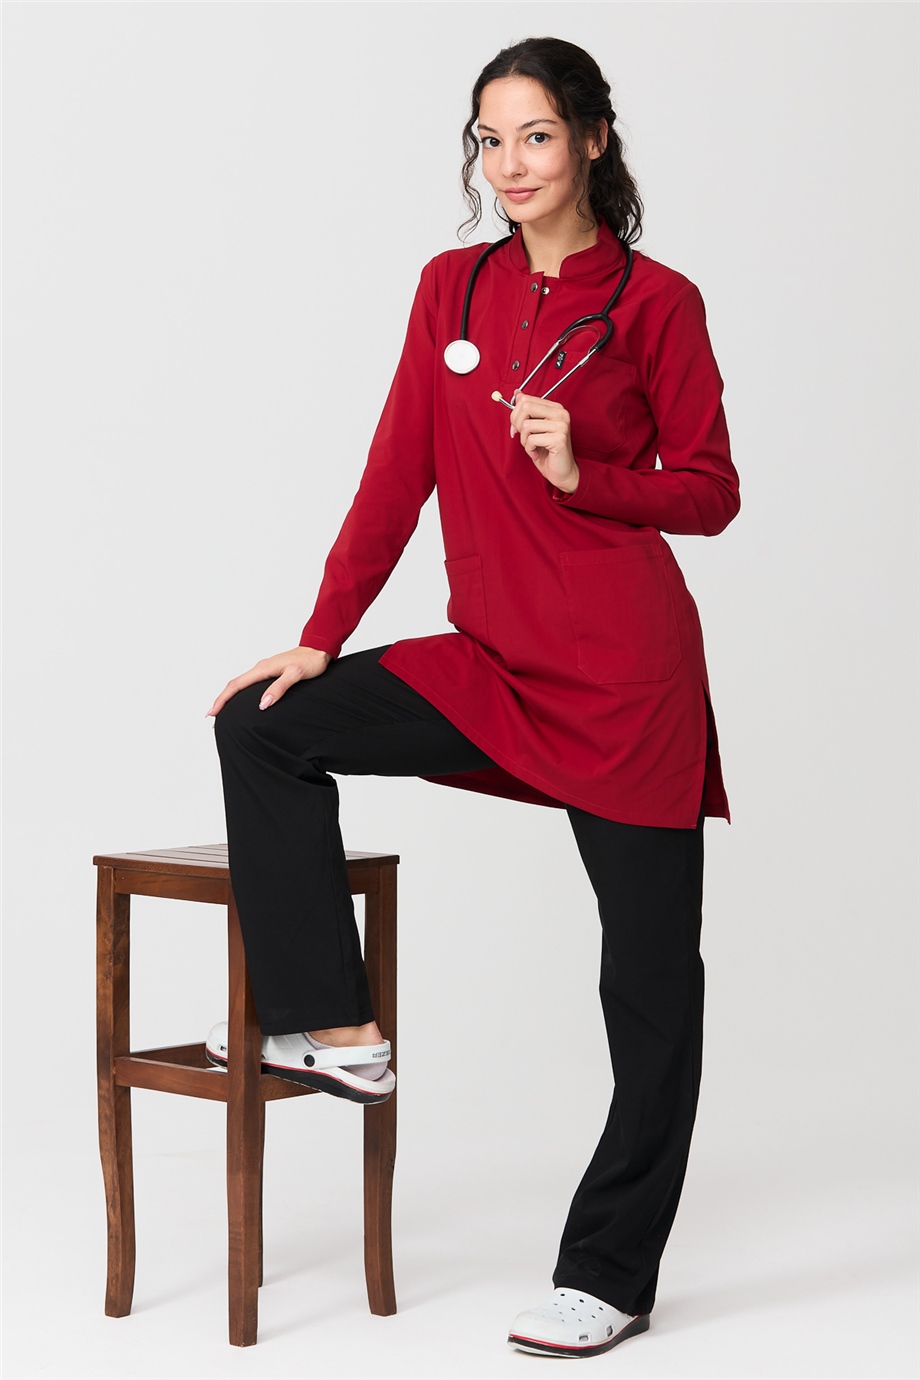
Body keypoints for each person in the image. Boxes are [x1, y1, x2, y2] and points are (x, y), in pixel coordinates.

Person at [206, 35, 740, 1361]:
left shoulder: (657, 303)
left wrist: (584, 473)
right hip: (493, 657)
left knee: (650, 991)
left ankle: (608, 1275)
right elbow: (398, 470)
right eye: (489, 140)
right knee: (263, 726)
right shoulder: (452, 289)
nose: (509, 164)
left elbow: (711, 491)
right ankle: (336, 1025)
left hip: (626, 680)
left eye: (536, 137)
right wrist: (321, 636)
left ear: (594, 140)